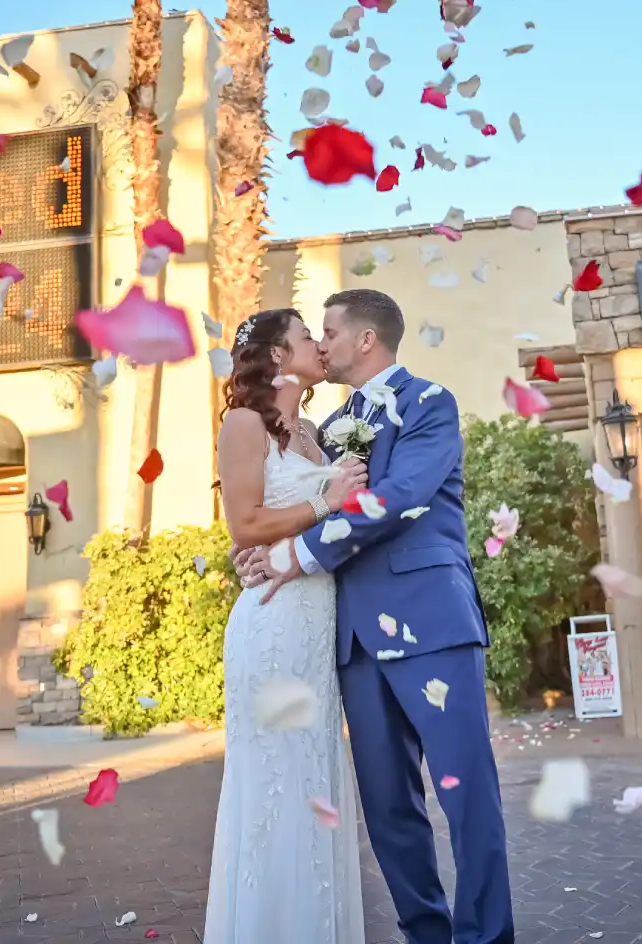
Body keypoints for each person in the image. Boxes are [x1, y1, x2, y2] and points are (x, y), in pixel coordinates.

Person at [238, 289, 515, 944]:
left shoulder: (428, 403)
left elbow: (400, 499)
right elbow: (298, 500)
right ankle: (428, 935)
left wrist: (297, 555)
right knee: (389, 811)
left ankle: (485, 938)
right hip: (354, 643)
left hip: (432, 626)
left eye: (328, 332)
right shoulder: (329, 431)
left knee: (466, 795)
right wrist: (262, 554)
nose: (321, 343)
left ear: (365, 340)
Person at [204, 308, 370, 944]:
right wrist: (325, 500)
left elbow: (312, 526)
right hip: (272, 628)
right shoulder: (244, 424)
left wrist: (322, 509)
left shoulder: (313, 435)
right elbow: (244, 525)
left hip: (316, 625)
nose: (319, 347)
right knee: (276, 784)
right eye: (307, 338)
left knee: (315, 780)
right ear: (277, 355)